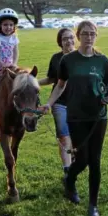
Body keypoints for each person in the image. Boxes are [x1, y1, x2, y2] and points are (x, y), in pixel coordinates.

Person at [40, 20, 108, 216]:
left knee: (95, 161)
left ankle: (93, 206)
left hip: (98, 116)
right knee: (81, 160)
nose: (89, 37)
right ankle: (70, 181)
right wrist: (49, 103)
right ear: (78, 35)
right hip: (75, 116)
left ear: (96, 36)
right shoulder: (68, 60)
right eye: (85, 34)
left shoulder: (103, 60)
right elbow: (60, 85)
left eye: (92, 34)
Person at [38, 28, 75, 179]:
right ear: (60, 42)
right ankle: (68, 171)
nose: (69, 41)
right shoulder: (56, 58)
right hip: (59, 102)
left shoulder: (81, 57)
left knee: (77, 137)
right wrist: (33, 82)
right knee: (64, 136)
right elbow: (53, 79)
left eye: (72, 38)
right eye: (65, 38)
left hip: (79, 103)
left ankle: (73, 161)